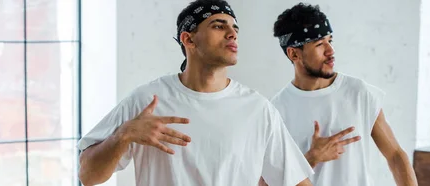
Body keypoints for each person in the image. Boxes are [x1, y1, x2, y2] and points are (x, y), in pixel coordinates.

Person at [76, 0, 314, 185]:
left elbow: (295, 182)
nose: (232, 34)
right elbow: (88, 175)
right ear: (188, 39)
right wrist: (123, 134)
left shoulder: (258, 109)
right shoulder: (147, 100)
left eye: (234, 28)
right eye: (218, 26)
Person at [264, 3, 418, 186]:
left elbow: (395, 155)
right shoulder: (276, 110)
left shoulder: (358, 92)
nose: (331, 51)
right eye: (320, 44)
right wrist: (311, 158)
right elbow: (266, 183)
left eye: (330, 41)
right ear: (294, 54)